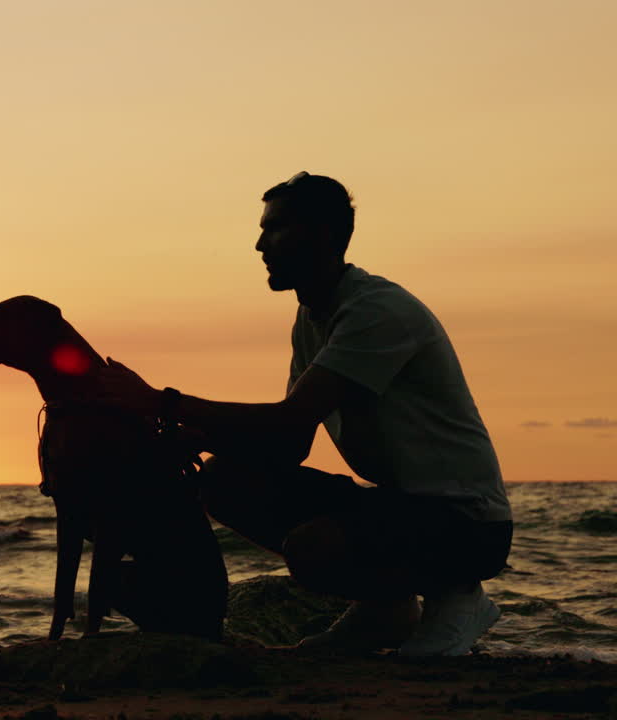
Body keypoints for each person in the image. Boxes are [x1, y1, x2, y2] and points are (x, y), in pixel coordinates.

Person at [96, 171, 512, 657]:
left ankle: (457, 595)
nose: (259, 245)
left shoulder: (377, 310)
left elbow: (290, 420)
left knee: (313, 549)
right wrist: (192, 436)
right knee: (224, 481)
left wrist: (159, 400)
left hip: (466, 523)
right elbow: (289, 446)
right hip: (398, 506)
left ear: (322, 235)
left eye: (275, 228)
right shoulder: (314, 317)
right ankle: (386, 609)